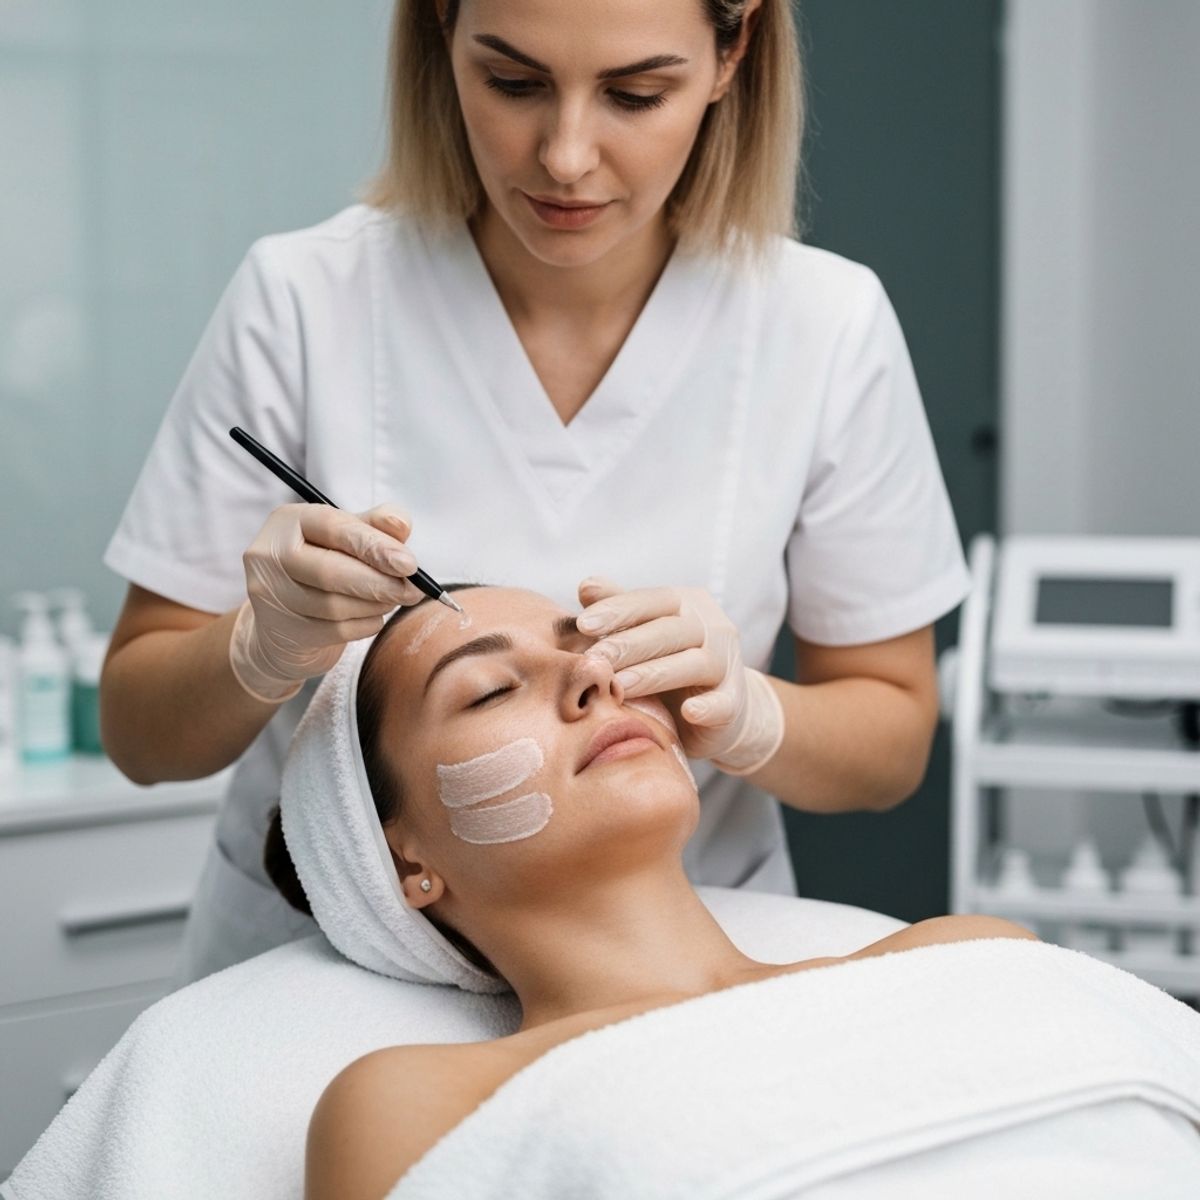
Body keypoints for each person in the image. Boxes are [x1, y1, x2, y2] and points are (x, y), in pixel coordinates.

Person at [100, 0, 971, 985]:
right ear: (441, 32)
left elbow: (891, 735)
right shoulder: (305, 299)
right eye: (513, 83)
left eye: (635, 94)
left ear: (733, 51)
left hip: (688, 950)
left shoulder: (823, 323)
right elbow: (138, 731)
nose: (565, 156)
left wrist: (750, 714)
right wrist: (258, 650)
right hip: (335, 974)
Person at [279, 586, 1036, 1197]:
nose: (594, 677)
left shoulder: (967, 957)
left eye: (599, 653)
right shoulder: (414, 1104)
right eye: (490, 690)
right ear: (402, 856)